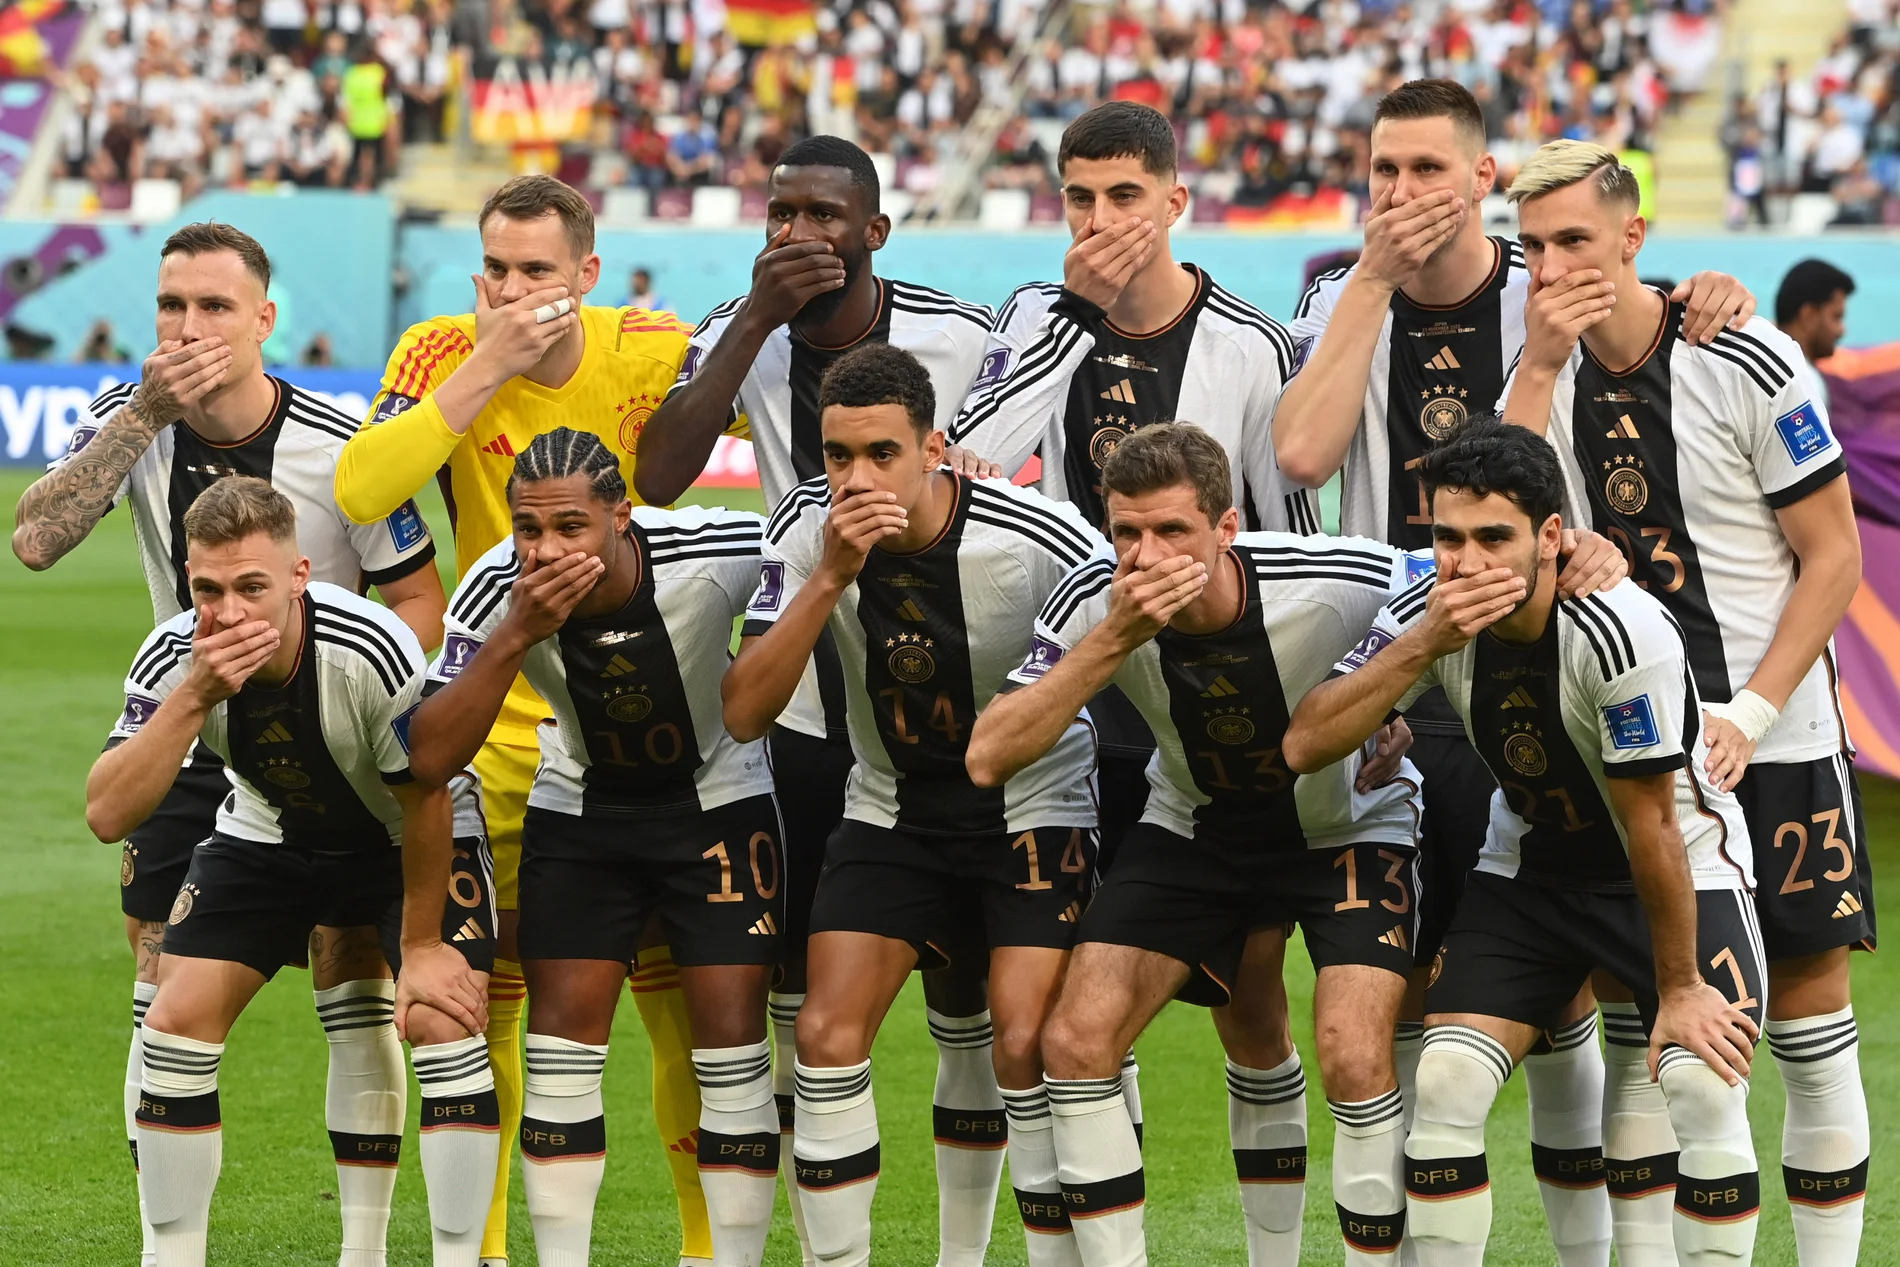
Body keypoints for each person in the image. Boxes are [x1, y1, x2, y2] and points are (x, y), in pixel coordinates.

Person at [1272, 79, 1758, 1266]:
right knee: (1429, 1009)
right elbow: (1299, 450)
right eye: (1382, 171)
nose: (1399, 195)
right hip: (1412, 652)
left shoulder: (1543, 281)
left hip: (1549, 635)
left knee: (1583, 1016)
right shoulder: (1341, 291)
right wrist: (1372, 282)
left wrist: (1705, 293)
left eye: (1427, 171)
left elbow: (1638, 332)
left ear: (1482, 179)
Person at [11, 221, 446, 1267]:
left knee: (352, 977)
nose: (189, 326)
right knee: (160, 982)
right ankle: (165, 1239)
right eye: (171, 306)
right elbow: (33, 540)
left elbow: (421, 604)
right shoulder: (134, 422)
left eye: (213, 306)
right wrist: (143, 416)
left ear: (264, 318)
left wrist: (359, 708)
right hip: (193, 727)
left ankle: (365, 1248)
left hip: (334, 744)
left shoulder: (343, 441)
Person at [334, 174, 719, 1267]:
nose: (509, 290)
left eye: (536, 271)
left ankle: (703, 1245)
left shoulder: (646, 344)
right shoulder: (436, 347)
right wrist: (486, 365)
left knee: (672, 998)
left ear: (585, 275)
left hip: (641, 725)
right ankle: (488, 1251)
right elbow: (366, 489)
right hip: (491, 720)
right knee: (481, 993)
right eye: (494, 269)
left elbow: (772, 418)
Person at [635, 134, 1006, 1266]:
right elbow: (656, 475)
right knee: (801, 994)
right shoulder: (732, 329)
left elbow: (997, 486)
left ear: (874, 233)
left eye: (823, 217)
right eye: (780, 213)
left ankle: (963, 1246)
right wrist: (751, 322)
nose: (798, 234)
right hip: (799, 697)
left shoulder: (959, 330)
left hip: (938, 694)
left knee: (971, 1003)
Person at [1500, 140, 1869, 1267]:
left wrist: (1750, 715)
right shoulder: (1536, 381)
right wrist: (1538, 365)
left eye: (1574, 238)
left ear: (1631, 237)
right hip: (1634, 750)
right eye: (1533, 247)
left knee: (1808, 1027)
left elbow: (1834, 558)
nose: (1555, 265)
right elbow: (1495, 534)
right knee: (1650, 1033)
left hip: (1776, 735)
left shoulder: (1745, 355)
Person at [1282, 417, 1765, 1267]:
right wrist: (1425, 642)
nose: (1465, 563)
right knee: (1446, 1081)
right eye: (1447, 537)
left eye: (1493, 538)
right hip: (1531, 866)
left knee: (1700, 1080)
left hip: (1676, 862)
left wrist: (1682, 984)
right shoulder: (1428, 607)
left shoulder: (1621, 630)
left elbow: (1650, 820)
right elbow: (1306, 740)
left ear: (1550, 536)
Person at [967, 422, 1429, 1267]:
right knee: (1073, 1042)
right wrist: (1112, 637)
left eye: (1172, 530)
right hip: (1193, 826)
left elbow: (1467, 580)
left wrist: (1584, 555)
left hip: (1344, 826)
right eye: (1127, 534)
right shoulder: (1091, 599)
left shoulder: (1336, 575)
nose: (1145, 556)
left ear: (1227, 528)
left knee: (1355, 1056)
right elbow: (989, 751)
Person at [948, 112, 1318, 1121]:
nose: (1101, 217)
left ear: (1173, 203)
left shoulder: (1249, 341)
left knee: (1248, 996)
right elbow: (974, 460)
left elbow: (1283, 532)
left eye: (1122, 196)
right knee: (1075, 990)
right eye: (1079, 197)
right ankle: (1101, 1182)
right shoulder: (1036, 311)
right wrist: (1075, 307)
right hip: (1080, 681)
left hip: (1205, 698)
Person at [722, 344, 1102, 1267]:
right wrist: (828, 577)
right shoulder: (804, 530)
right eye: (837, 455)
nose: (856, 479)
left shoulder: (1039, 536)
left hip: (1033, 807)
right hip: (889, 808)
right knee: (821, 1031)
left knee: (1023, 1039)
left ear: (933, 447)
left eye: (881, 454)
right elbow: (744, 708)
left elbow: (1135, 643)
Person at [85, 477, 497, 1267]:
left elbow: (425, 794)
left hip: (399, 832)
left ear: (300, 575)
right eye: (208, 589)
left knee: (440, 1023)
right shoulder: (177, 651)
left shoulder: (371, 646)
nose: (228, 611)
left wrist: (423, 943)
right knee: (171, 1026)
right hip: (270, 829)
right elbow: (107, 813)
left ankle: (392, 1255)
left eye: (251, 587)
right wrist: (197, 691)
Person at [407, 430, 784, 1267]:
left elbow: (806, 545)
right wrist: (515, 632)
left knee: (729, 1047)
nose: (545, 550)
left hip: (717, 808)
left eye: (570, 527)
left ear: (622, 516)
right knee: (559, 1052)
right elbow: (428, 756)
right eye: (527, 529)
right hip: (582, 815)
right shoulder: (497, 589)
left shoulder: (717, 547)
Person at [1774, 259, 1855, 410]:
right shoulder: (1803, 384)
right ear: (1808, 315)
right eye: (1836, 317)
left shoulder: (1765, 365)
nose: (1841, 330)